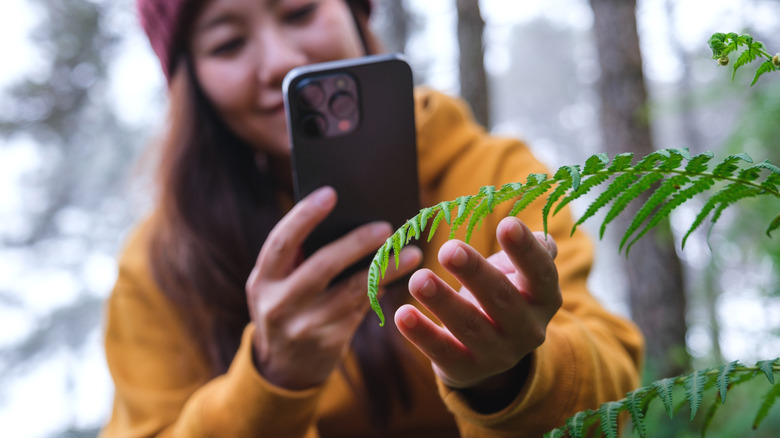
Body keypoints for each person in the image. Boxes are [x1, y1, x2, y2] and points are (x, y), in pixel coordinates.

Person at [100, 0, 645, 436]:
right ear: (188, 79)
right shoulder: (162, 265)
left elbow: (615, 397)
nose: (280, 60)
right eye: (228, 43)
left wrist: (513, 377)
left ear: (359, 13)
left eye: (299, 11)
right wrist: (268, 382)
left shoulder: (495, 176)